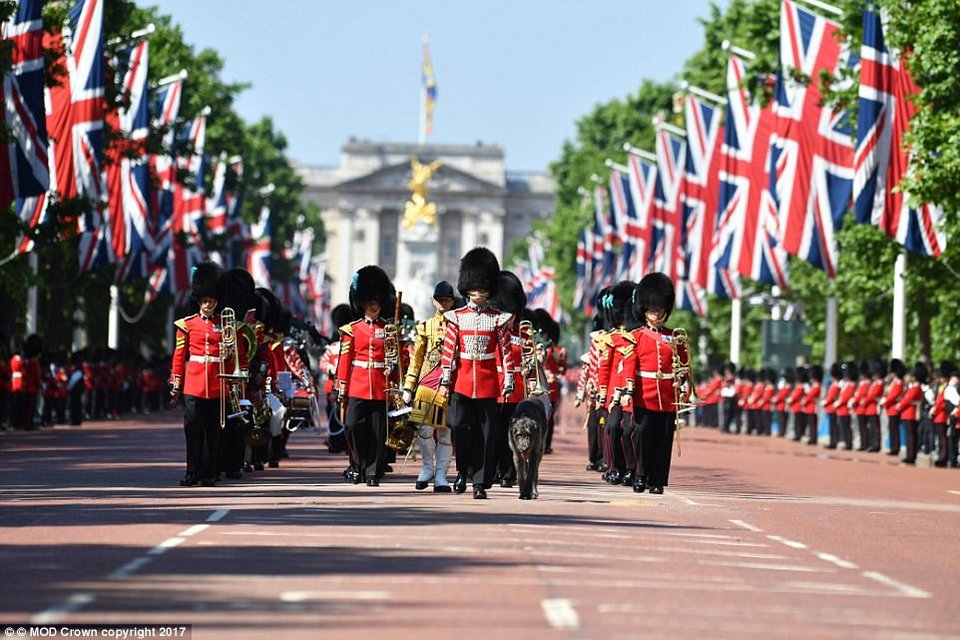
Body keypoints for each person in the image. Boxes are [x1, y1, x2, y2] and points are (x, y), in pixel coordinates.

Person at [437, 247, 514, 499]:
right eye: (475, 288)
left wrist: (509, 378)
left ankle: (480, 481)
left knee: (486, 433)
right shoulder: (456, 317)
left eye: (483, 288)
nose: (479, 292)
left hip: (488, 383)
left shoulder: (498, 319)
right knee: (460, 428)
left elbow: (505, 351)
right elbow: (449, 349)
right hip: (461, 382)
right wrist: (446, 376)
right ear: (468, 288)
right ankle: (462, 472)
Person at [623, 272, 690, 495]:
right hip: (645, 393)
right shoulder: (637, 336)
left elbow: (684, 366)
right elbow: (629, 364)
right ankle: (641, 475)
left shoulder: (675, 337)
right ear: (644, 310)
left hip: (668, 396)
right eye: (653, 309)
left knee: (663, 440)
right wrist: (627, 389)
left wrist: (683, 387)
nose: (657, 312)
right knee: (642, 436)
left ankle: (658, 479)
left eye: (660, 308)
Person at [335, 265, 395, 487]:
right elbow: (344, 361)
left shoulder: (388, 329)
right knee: (352, 426)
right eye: (370, 301)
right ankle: (357, 464)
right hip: (358, 385)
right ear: (362, 302)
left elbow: (393, 357)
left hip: (380, 385)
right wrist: (341, 387)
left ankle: (372, 471)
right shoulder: (352, 329)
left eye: (377, 301)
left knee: (377, 432)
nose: (374, 304)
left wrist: (392, 369)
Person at [169, 261, 226, 487]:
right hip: (193, 384)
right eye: (204, 300)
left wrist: (228, 353)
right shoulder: (187, 325)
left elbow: (230, 357)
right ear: (198, 300)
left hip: (216, 384)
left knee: (213, 433)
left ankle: (209, 473)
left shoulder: (225, 325)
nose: (208, 304)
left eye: (211, 300)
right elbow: (179, 356)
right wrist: (175, 384)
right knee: (192, 430)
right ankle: (192, 471)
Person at [403, 281, 458, 492]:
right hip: (427, 384)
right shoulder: (425, 327)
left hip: (449, 384)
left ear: (452, 302)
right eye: (441, 300)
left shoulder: (458, 326)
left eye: (447, 300)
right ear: (434, 301)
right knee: (424, 430)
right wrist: (409, 386)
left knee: (445, 432)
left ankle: (442, 475)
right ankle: (427, 468)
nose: (444, 303)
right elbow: (416, 359)